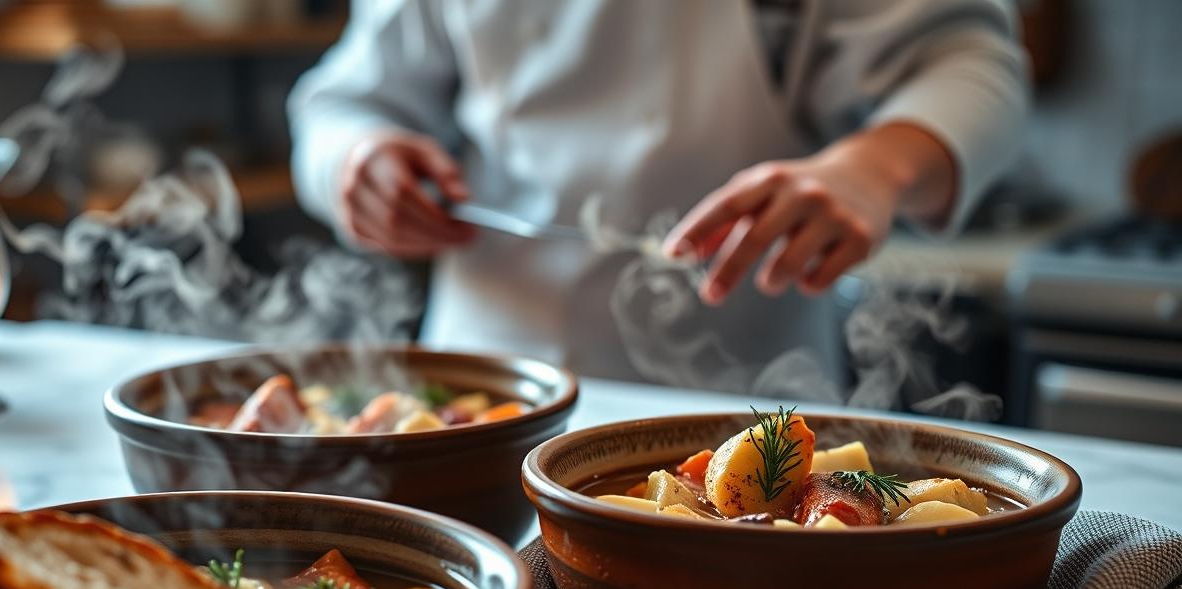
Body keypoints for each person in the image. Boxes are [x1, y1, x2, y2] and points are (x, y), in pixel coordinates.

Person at [288, 0, 1028, 381]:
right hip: (484, 381)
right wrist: (354, 159)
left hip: (743, 387)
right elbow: (346, 99)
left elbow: (971, 63)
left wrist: (874, 168)